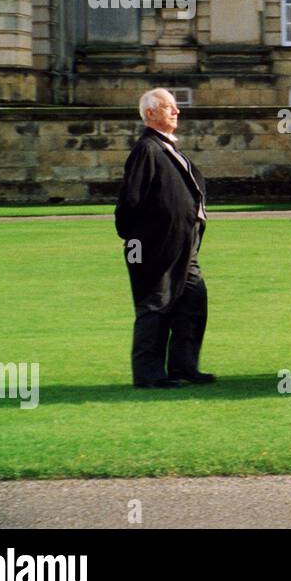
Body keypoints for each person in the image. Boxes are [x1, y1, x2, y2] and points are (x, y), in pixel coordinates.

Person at [115, 88, 214, 389]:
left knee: (193, 302)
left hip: (185, 246)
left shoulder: (167, 148)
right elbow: (129, 203)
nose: (177, 112)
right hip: (156, 246)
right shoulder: (147, 149)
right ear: (150, 114)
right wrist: (139, 242)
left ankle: (184, 367)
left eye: (175, 107)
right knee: (155, 306)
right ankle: (148, 374)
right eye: (169, 107)